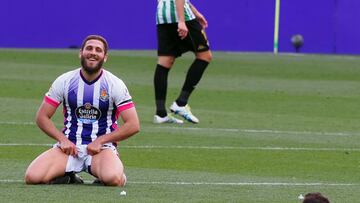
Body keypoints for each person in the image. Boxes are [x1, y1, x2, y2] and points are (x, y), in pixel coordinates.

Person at [24, 35, 140, 187]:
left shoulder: (114, 84)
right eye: (89, 48)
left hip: (101, 149)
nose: (93, 53)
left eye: (98, 50)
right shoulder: (65, 80)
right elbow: (42, 117)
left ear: (105, 57)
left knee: (113, 179)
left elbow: (133, 125)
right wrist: (63, 140)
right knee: (33, 177)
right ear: (81, 53)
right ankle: (68, 176)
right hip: (69, 148)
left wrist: (101, 140)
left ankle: (108, 172)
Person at [153, 0, 212, 124]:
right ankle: (181, 103)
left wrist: (195, 12)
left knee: (165, 61)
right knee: (204, 56)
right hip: (180, 15)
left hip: (163, 16)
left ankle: (160, 113)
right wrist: (181, 21)